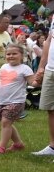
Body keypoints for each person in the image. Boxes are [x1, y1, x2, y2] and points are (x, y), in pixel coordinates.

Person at [0, 44, 34, 153]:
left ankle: (1, 147)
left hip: (16, 101)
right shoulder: (3, 67)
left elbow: (32, 82)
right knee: (6, 123)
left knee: (6, 122)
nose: (11, 56)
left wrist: (38, 79)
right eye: (8, 54)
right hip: (2, 101)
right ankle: (18, 144)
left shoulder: (25, 68)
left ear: (22, 55)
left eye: (14, 54)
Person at [32, 23, 54, 158]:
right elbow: (49, 41)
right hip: (51, 69)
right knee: (51, 109)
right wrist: (41, 67)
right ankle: (52, 147)